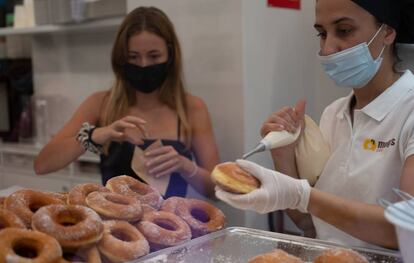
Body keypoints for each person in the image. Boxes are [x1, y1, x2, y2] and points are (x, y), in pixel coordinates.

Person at [216, 0, 414, 249]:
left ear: (387, 32)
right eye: (322, 33)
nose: (328, 48)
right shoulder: (334, 114)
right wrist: (283, 156)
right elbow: (310, 223)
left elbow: (406, 230)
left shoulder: (409, 111)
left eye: (343, 30)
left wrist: (302, 195)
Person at [34, 6, 219, 198]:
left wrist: (186, 167)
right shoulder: (101, 104)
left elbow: (216, 190)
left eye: (154, 56)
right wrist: (96, 135)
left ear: (170, 56)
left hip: (172, 226)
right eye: (133, 57)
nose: (144, 65)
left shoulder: (191, 109)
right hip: (114, 226)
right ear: (121, 58)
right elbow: (43, 164)